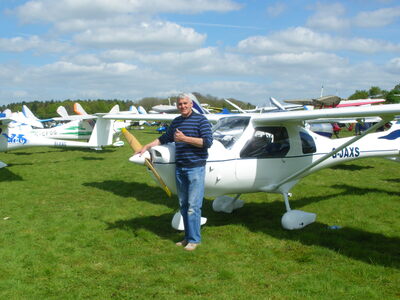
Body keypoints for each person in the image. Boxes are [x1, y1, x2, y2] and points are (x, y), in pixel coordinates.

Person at [137, 93, 213, 251]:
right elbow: (164, 138)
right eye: (180, 104)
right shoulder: (177, 121)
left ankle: (194, 240)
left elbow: (207, 142)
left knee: (193, 206)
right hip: (180, 167)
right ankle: (187, 237)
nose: (183, 106)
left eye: (185, 103)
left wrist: (185, 139)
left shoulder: (201, 120)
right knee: (183, 205)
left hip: (195, 168)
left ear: (191, 104)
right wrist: (147, 146)